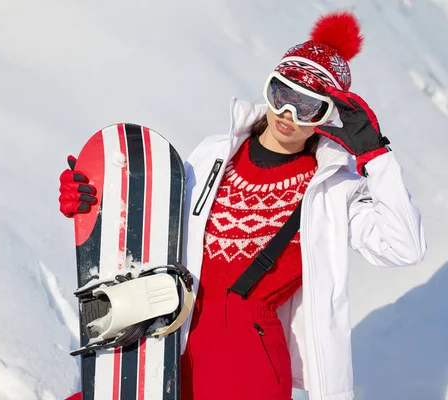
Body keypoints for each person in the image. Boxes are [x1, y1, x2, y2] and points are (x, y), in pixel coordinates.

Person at [60, 11, 426, 400]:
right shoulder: (214, 154)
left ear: (329, 116)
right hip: (168, 329)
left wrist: (376, 156)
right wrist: (93, 200)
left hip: (247, 355)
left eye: (307, 107)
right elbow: (151, 217)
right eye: (281, 94)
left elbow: (404, 247)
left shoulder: (333, 190)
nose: (288, 115)